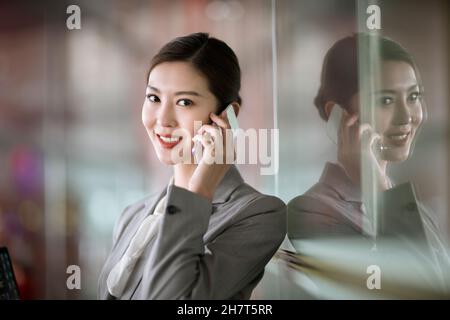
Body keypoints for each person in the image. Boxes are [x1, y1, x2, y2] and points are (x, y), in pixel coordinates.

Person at [97, 32, 286, 300]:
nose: (163, 119)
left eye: (184, 102)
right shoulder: (133, 214)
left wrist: (201, 188)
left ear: (228, 116)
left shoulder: (258, 215)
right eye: (154, 98)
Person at [287, 33, 450, 296]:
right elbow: (419, 291)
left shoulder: (411, 207)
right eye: (385, 100)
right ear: (337, 114)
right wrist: (376, 189)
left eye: (414, 96)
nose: (406, 116)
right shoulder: (311, 212)